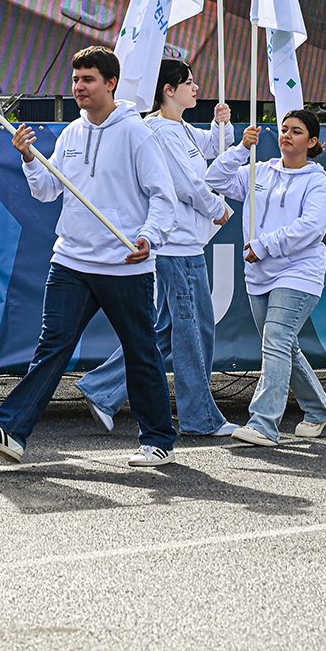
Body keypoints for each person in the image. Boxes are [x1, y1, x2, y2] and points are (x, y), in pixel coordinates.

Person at [0, 46, 180, 468]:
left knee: (140, 351)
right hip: (71, 261)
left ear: (111, 83)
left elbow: (163, 197)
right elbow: (47, 190)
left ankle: (158, 440)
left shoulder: (138, 133)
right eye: (76, 79)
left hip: (125, 265)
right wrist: (28, 157)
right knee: (52, 347)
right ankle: (10, 430)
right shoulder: (72, 133)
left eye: (88, 80)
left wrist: (149, 237)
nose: (78, 87)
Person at [76, 59, 238, 438]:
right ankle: (200, 418)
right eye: (190, 83)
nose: (196, 88)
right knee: (194, 330)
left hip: (184, 244)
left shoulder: (180, 127)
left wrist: (222, 122)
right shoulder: (159, 131)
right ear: (169, 89)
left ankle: (102, 389)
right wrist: (217, 209)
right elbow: (186, 184)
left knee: (170, 328)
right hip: (176, 245)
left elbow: (213, 148)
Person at [206, 109, 326, 446]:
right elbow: (214, 179)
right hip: (259, 274)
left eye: (296, 131)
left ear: (312, 141)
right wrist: (238, 148)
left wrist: (264, 246)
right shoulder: (258, 170)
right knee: (284, 346)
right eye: (284, 130)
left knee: (275, 341)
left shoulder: (317, 180)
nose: (287, 135)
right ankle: (319, 408)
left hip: (299, 272)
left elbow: (311, 228)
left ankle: (264, 422)